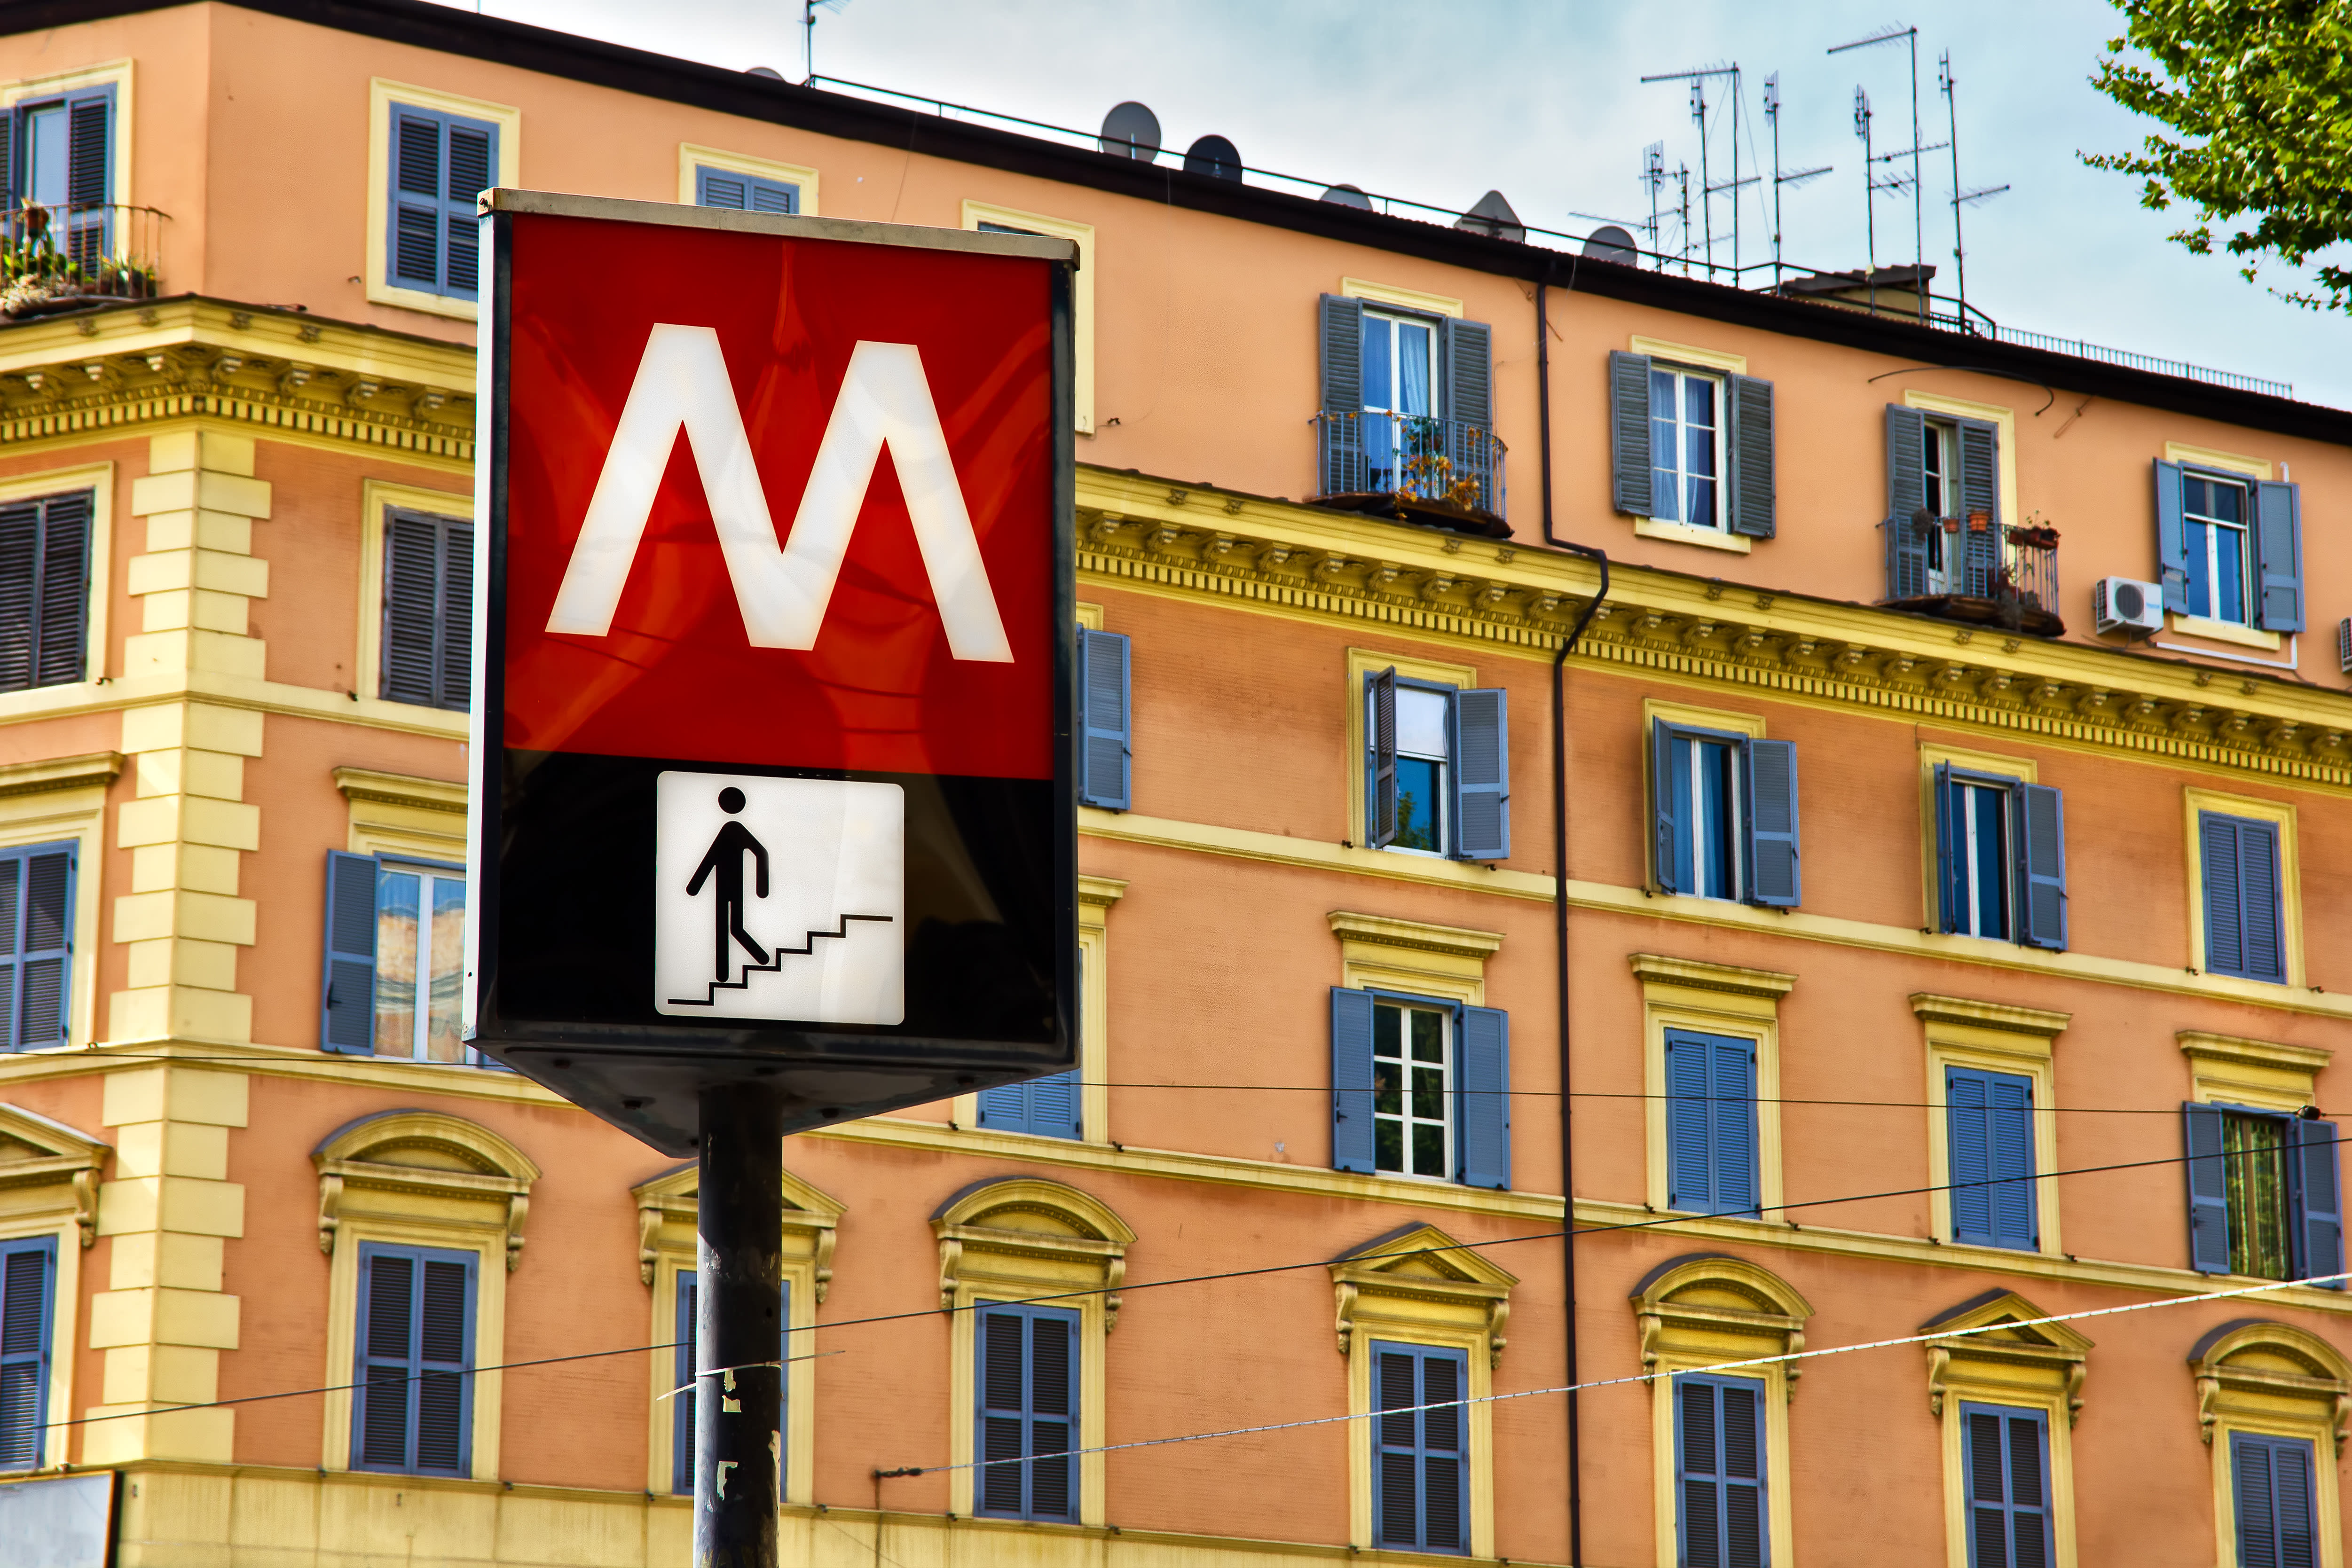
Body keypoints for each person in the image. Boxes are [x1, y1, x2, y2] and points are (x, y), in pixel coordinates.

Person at [685, 786, 769, 982]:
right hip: (724, 887)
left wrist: (761, 888)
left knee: (734, 928)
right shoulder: (731, 830)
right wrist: (695, 886)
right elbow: (711, 858)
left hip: (731, 886)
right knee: (726, 928)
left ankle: (760, 959)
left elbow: (760, 853)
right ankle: (725, 973)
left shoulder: (734, 830)